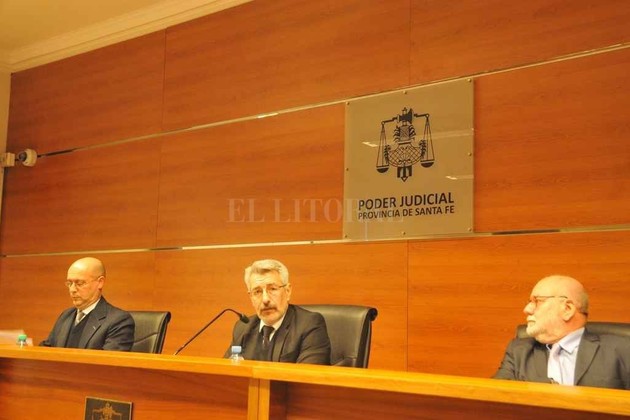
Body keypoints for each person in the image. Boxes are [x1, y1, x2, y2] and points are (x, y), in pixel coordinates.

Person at [493, 274, 630, 389]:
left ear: (567, 309)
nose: (527, 309)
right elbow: (495, 399)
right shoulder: (519, 351)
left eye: (537, 301)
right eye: (529, 302)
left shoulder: (622, 349)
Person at [224, 259, 331, 364]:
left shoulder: (309, 324)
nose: (265, 299)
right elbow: (225, 371)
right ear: (251, 297)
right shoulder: (243, 328)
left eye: (273, 289)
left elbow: (305, 373)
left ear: (287, 291)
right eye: (257, 292)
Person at [40, 257, 135, 351]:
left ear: (100, 282)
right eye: (69, 283)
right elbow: (48, 349)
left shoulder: (118, 321)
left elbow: (108, 360)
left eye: (80, 283)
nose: (72, 289)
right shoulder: (66, 315)